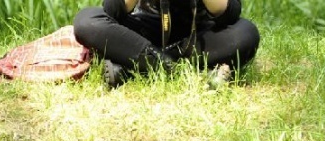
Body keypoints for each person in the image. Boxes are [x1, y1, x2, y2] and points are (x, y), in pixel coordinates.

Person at [72, 0, 260, 87]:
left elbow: (230, 12)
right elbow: (112, 9)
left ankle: (132, 69)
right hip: (142, 34)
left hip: (195, 38)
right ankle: (176, 68)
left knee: (246, 32)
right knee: (87, 21)